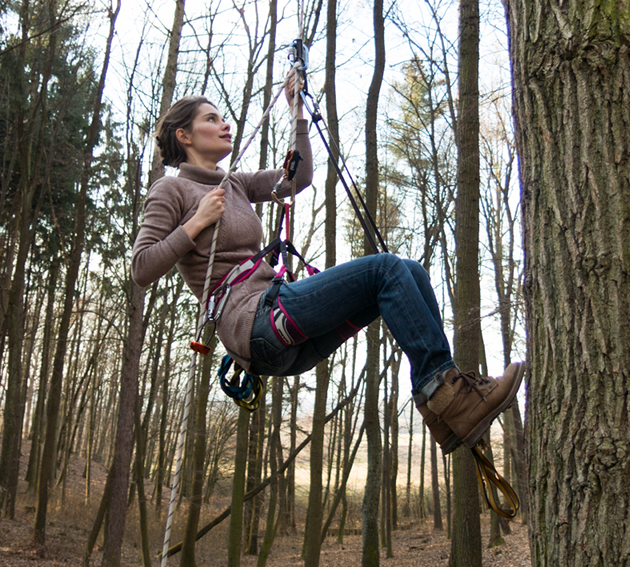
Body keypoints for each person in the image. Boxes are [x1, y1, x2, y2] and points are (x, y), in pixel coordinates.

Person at [131, 73, 523, 454]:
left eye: (222, 117)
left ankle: (442, 411)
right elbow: (142, 267)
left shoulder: (234, 182)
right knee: (384, 269)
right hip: (253, 325)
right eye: (211, 119)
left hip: (280, 323)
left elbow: (297, 178)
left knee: (411, 272)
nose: (225, 124)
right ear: (184, 136)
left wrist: (297, 112)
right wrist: (197, 221)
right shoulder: (172, 189)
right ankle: (449, 396)